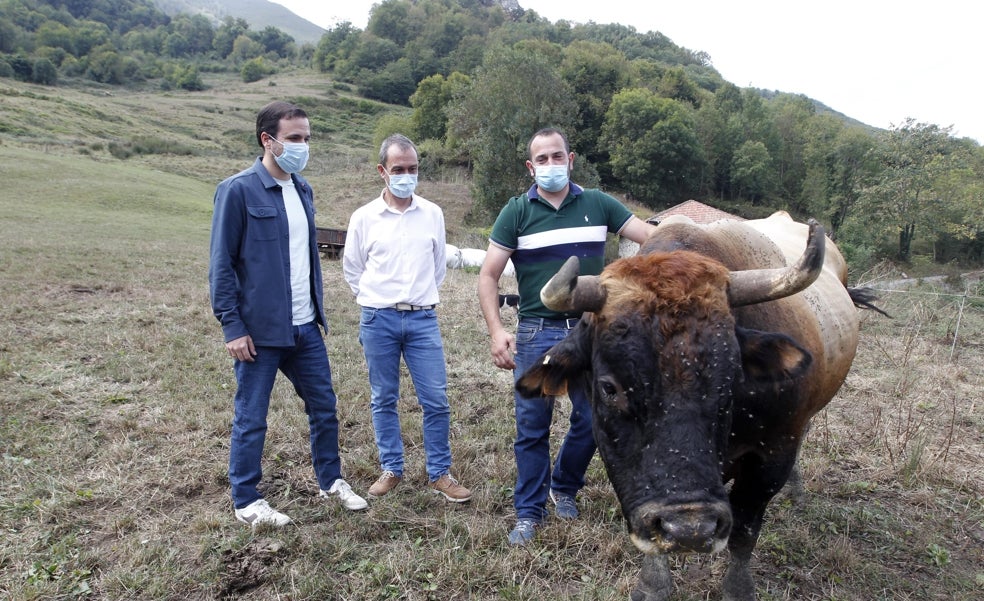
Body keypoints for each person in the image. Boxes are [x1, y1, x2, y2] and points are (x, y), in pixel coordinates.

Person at [478, 127, 657, 545]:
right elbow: (488, 275)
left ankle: (565, 486)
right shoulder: (516, 212)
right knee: (532, 425)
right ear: (530, 166)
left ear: (570, 159)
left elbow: (652, 238)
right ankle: (528, 511)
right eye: (542, 159)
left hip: (592, 332)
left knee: (595, 418)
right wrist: (496, 330)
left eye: (557, 157)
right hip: (538, 332)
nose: (550, 166)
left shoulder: (599, 203)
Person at [209, 100, 368, 527]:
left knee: (324, 407)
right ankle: (246, 500)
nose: (302, 146)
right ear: (268, 140)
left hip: (305, 327)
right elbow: (221, 264)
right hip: (258, 333)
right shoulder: (238, 190)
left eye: (307, 138)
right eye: (294, 138)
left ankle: (331, 481)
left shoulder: (302, 189)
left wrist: (315, 313)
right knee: (252, 416)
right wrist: (232, 325)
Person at [342, 134, 471, 503]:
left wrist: (418, 299)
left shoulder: (432, 214)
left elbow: (437, 269)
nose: (406, 175)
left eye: (412, 169)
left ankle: (440, 473)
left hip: (422, 320)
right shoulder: (364, 217)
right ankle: (392, 468)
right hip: (378, 319)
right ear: (383, 171)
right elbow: (353, 269)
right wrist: (374, 300)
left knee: (436, 399)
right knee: (383, 397)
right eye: (398, 169)